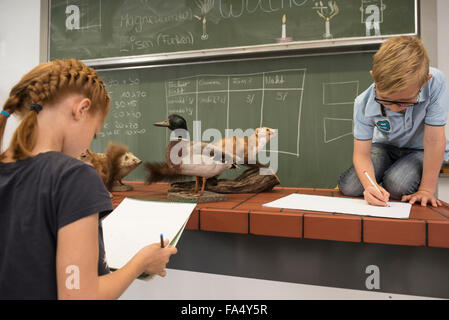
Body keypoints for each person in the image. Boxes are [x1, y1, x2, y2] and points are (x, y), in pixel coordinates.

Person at [0, 59, 177, 299]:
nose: (88, 145)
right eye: (94, 133)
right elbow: (79, 296)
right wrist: (141, 263)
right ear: (81, 109)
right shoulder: (73, 176)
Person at [338, 36, 449, 207]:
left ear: (424, 81)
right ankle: (384, 178)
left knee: (397, 185)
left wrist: (427, 189)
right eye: (386, 101)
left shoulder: (436, 83)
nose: (395, 108)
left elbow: (434, 141)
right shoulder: (363, 103)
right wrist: (370, 186)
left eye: (405, 102)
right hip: (385, 147)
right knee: (351, 186)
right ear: (374, 78)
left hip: (420, 149)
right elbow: (361, 154)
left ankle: (392, 177)